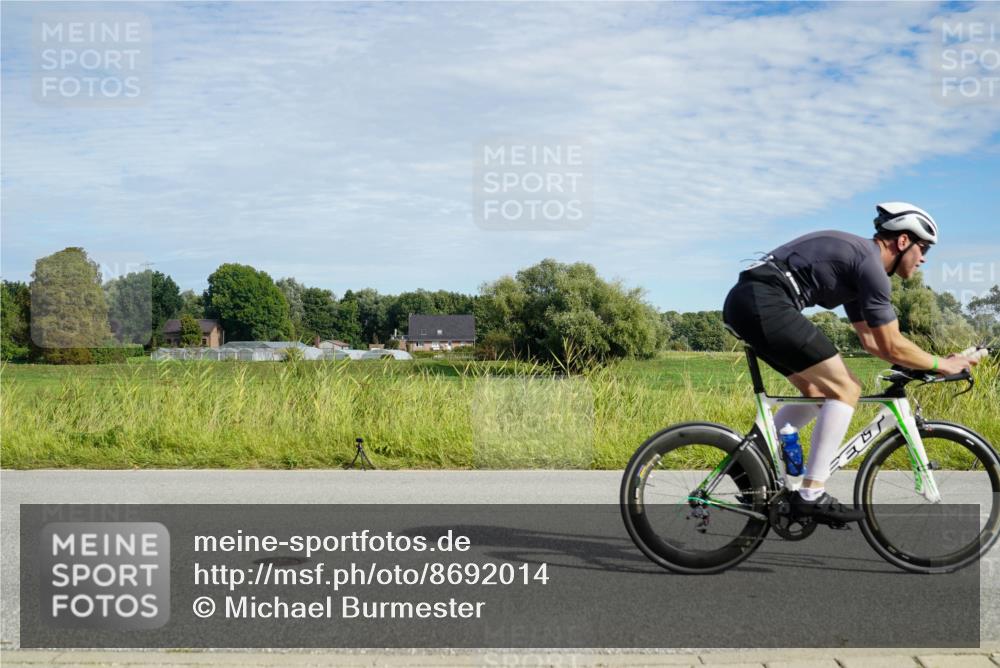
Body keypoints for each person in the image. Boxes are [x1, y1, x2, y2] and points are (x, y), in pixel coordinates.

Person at [722, 202, 979, 524]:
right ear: (903, 242)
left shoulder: (862, 266)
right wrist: (942, 363)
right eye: (923, 247)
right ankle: (811, 495)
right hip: (764, 302)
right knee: (846, 387)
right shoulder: (869, 265)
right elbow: (890, 343)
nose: (924, 257)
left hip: (749, 301)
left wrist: (924, 364)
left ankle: (748, 460)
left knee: (819, 391)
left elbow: (873, 341)